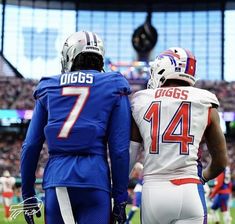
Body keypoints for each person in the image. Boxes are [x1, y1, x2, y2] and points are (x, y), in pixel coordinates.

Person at [20, 31, 131, 224]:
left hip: (59, 178)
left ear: (70, 55)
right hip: (96, 181)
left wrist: (28, 193)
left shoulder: (49, 86)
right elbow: (119, 149)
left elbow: (30, 145)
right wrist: (120, 199)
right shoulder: (114, 84)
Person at [129, 47, 228, 224]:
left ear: (163, 68)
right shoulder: (205, 100)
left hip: (154, 190)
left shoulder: (141, 99)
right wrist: (202, 178)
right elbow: (221, 162)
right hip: (189, 187)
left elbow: (129, 155)